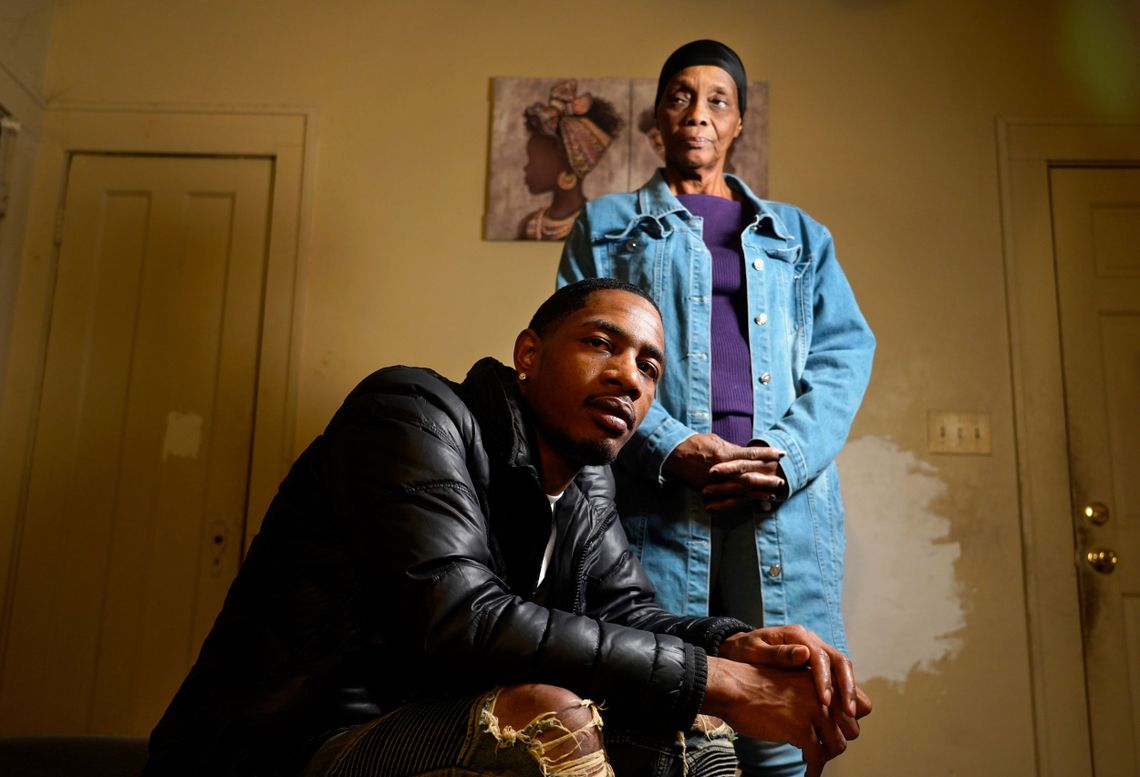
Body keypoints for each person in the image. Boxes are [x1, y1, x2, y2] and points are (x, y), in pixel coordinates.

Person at [142, 278, 869, 777]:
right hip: (287, 747)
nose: (629, 376)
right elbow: (461, 620)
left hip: (422, 723)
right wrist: (721, 679)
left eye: (649, 367)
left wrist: (730, 643)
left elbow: (631, 614)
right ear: (530, 354)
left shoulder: (586, 481)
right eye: (600, 344)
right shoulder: (411, 413)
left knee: (690, 718)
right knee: (544, 714)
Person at [557, 41, 876, 777]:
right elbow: (585, 351)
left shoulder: (802, 237)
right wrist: (670, 446)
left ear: (739, 124)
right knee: (664, 720)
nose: (697, 114)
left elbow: (842, 355)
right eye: (679, 97)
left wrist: (785, 459)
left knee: (787, 715)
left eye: (717, 101)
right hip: (656, 503)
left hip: (782, 506)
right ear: (656, 119)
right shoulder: (607, 223)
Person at [519, 79, 624, 240]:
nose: (526, 168)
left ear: (567, 167)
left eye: (533, 160)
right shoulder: (529, 225)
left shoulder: (598, 228)